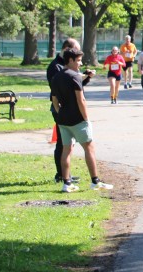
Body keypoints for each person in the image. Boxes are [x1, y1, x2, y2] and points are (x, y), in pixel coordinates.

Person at [49, 48, 114, 192]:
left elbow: (54, 100)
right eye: (78, 60)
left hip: (63, 120)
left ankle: (66, 183)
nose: (81, 63)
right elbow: (81, 100)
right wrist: (86, 119)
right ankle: (95, 181)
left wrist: (60, 114)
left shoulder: (56, 77)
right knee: (89, 148)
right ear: (70, 60)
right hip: (78, 119)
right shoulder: (75, 77)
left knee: (66, 150)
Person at [47, 38, 94, 183]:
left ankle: (65, 176)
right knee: (63, 144)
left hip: (67, 109)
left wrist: (86, 78)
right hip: (62, 109)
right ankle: (61, 175)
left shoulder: (66, 66)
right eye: (74, 51)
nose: (79, 62)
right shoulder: (56, 67)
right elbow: (59, 90)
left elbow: (74, 85)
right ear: (67, 49)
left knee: (67, 145)